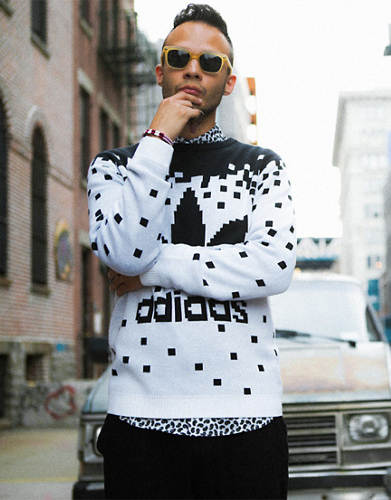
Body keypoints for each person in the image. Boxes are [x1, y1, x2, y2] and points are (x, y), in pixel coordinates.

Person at [87, 4, 295, 498]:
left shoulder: (261, 166)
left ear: (229, 81)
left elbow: (272, 267)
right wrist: (157, 138)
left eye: (210, 62)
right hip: (140, 419)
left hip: (247, 417)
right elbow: (123, 253)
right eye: (179, 58)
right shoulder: (114, 167)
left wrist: (155, 269)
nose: (193, 70)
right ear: (161, 72)